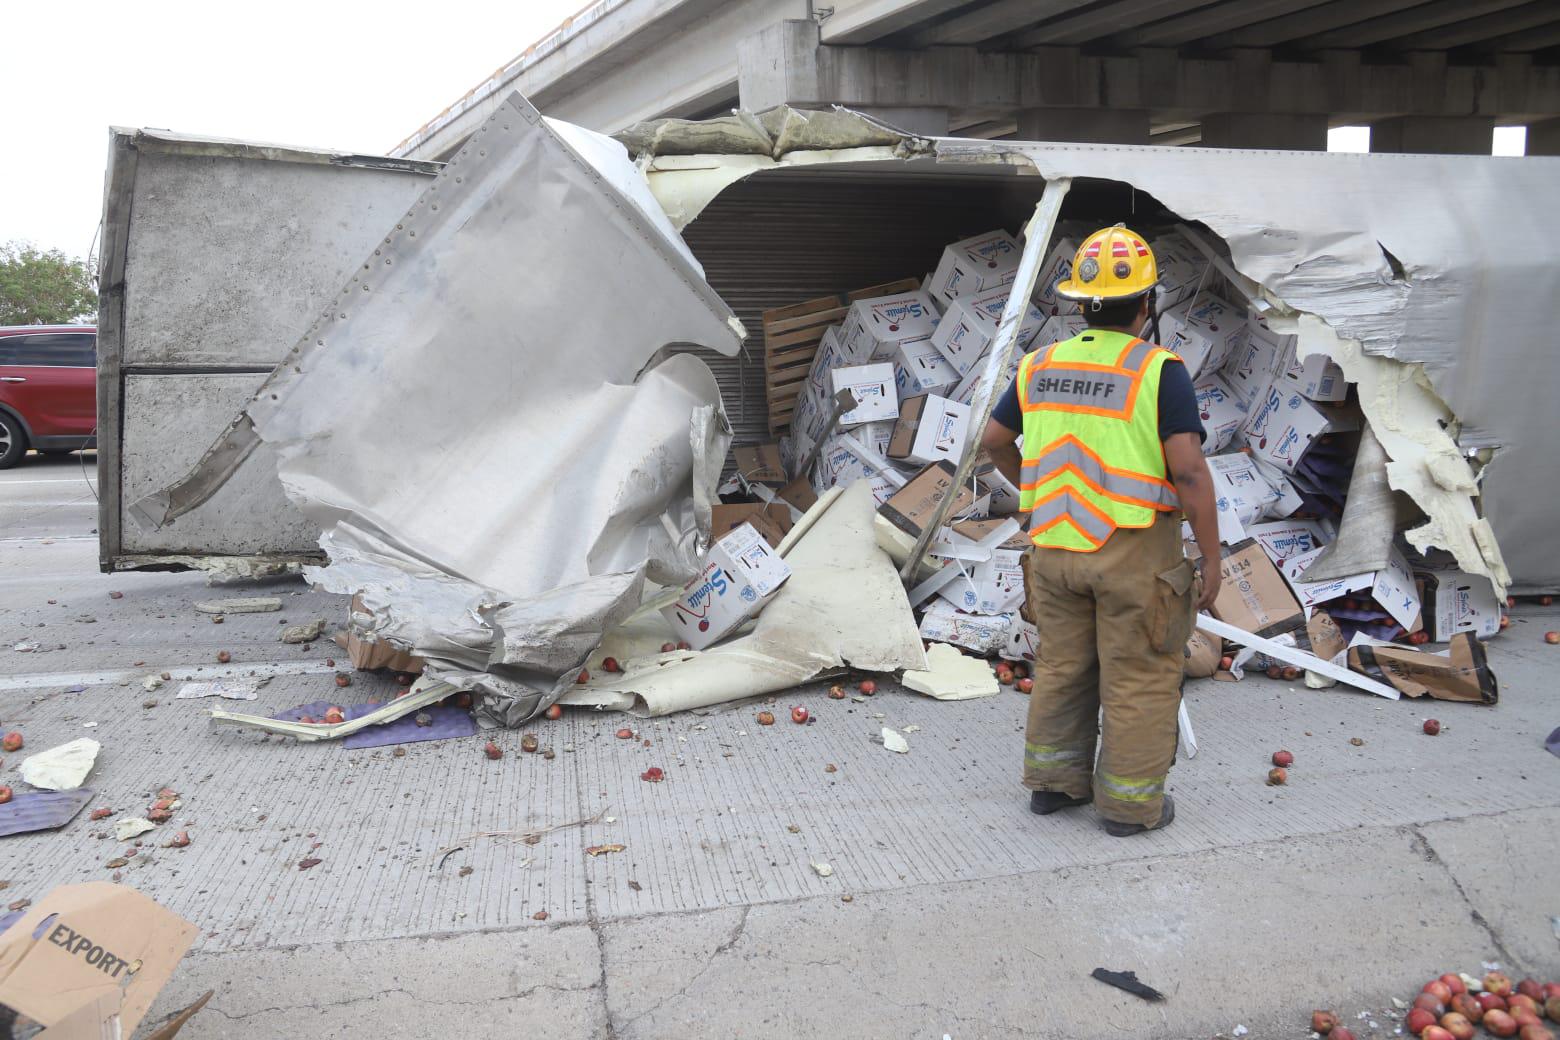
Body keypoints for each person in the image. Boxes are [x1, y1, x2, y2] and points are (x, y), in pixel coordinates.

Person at [979, 224, 1220, 837]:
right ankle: (1129, 807)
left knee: (1063, 667)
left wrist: (1036, 487)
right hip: (1132, 554)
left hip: (1055, 547)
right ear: (1147, 305)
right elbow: (1189, 471)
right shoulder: (1159, 371)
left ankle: (1053, 789)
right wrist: (1213, 560)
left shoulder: (1041, 365)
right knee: (1138, 674)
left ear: (1081, 303)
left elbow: (992, 442)